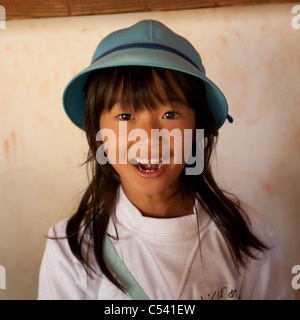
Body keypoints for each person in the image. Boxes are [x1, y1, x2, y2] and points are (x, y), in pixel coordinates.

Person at [38, 20, 294, 300]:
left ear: (198, 129)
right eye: (125, 116)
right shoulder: (71, 249)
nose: (149, 137)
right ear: (99, 135)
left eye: (170, 114)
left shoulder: (248, 235)